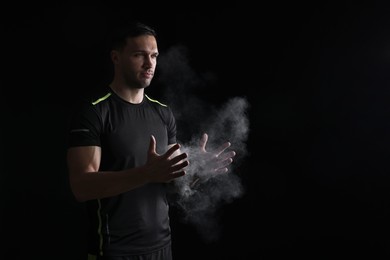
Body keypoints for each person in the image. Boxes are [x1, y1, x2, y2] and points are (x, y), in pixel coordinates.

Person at [66, 21, 236, 260]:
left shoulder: (163, 113)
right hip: (114, 251)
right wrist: (146, 173)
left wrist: (196, 175)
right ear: (116, 57)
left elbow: (168, 186)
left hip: (162, 248)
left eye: (154, 56)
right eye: (139, 55)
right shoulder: (94, 111)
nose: (149, 64)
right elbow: (81, 186)